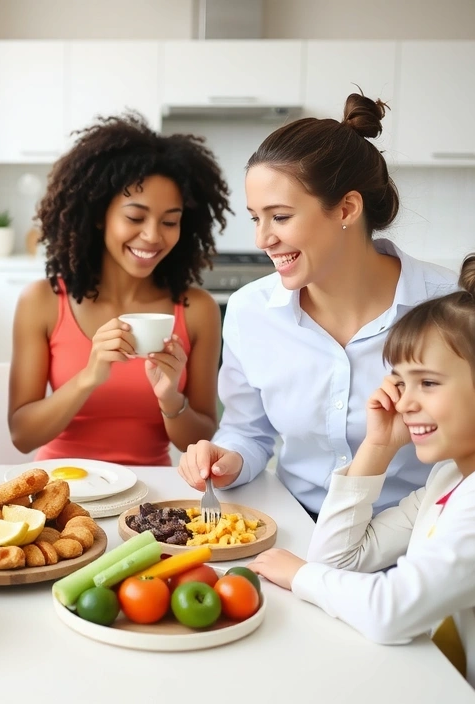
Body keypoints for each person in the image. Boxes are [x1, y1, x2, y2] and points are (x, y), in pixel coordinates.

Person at [248, 253, 475, 704]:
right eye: (401, 382)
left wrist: (300, 575)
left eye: (428, 383)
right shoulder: (450, 481)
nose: (403, 402)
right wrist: (377, 447)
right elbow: (337, 560)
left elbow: (391, 611)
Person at [177, 93, 457, 516]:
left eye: (281, 217)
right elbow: (248, 432)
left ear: (346, 207)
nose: (262, 239)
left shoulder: (450, 307)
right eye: (256, 218)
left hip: (418, 536)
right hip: (296, 527)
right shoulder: (251, 312)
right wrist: (229, 458)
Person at [9, 113, 231, 466]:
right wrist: (88, 378)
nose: (153, 236)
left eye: (170, 221)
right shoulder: (43, 301)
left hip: (152, 498)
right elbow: (23, 436)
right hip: (62, 492)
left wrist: (170, 398)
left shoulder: (196, 309)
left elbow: (202, 440)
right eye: (135, 217)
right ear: (100, 215)